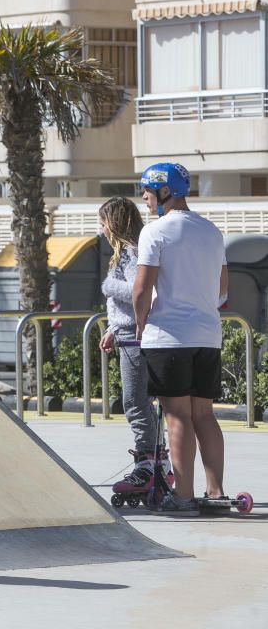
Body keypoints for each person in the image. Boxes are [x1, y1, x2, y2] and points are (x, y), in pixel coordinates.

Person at [133, 162, 229, 516]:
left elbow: (142, 289)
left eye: (146, 189)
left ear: (164, 191)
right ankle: (216, 493)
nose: (143, 196)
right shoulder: (211, 231)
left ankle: (183, 497)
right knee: (204, 414)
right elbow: (222, 290)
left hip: (168, 336)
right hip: (207, 334)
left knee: (177, 417)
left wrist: (141, 323)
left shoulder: (155, 232)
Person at [97, 196, 172, 499]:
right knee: (143, 401)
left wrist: (107, 286)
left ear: (114, 224)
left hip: (136, 337)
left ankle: (148, 463)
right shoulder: (131, 251)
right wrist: (113, 329)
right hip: (127, 333)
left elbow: (140, 292)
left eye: (102, 222)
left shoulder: (130, 252)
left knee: (136, 402)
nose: (100, 229)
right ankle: (158, 462)